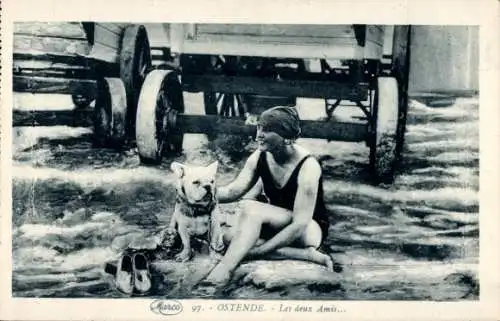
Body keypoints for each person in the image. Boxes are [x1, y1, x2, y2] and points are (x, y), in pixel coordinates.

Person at [202, 106, 334, 285]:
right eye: (259, 128)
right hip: (277, 224)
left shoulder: (308, 167)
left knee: (252, 212)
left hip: (309, 229)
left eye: (267, 130)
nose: (258, 136)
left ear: (286, 137)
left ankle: (223, 270)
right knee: (227, 238)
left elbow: (300, 223)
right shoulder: (260, 156)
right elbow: (233, 191)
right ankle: (303, 255)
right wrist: (199, 191)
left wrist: (259, 251)